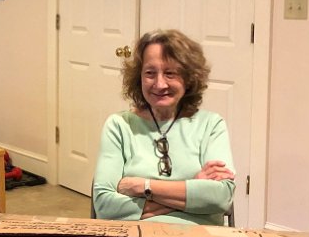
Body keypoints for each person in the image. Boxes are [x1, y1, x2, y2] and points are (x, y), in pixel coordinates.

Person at [92, 29, 234, 225]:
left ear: (188, 78)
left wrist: (142, 187)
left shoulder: (211, 125)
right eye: (150, 73)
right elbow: (104, 206)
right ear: (139, 77)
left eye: (170, 73)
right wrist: (192, 190)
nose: (159, 84)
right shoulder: (119, 126)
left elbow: (221, 198)